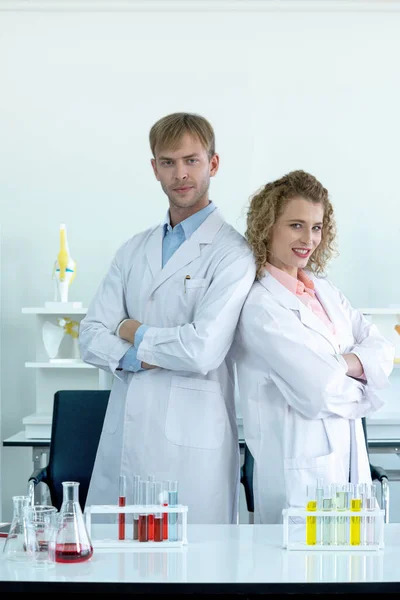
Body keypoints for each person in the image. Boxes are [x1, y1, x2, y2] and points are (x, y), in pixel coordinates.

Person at [79, 112, 256, 524]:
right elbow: (89, 337)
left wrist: (130, 329)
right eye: (168, 162)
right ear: (154, 167)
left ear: (212, 164)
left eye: (191, 160)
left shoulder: (232, 253)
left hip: (192, 448)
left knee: (194, 576)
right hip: (127, 433)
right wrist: (140, 356)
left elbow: (202, 350)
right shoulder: (132, 250)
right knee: (115, 573)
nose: (181, 173)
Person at [233, 170, 395, 524]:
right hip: (298, 475)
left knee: (352, 571)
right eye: (296, 225)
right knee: (298, 576)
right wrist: (360, 368)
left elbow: (383, 352)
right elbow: (319, 389)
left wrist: (339, 364)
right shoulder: (261, 308)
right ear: (267, 227)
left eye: (317, 227)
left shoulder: (325, 291)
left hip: (348, 463)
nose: (309, 238)